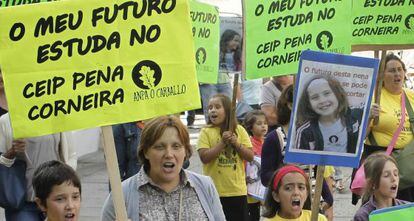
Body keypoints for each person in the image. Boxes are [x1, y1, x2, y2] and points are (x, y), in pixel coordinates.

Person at [101, 116, 225, 221]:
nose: (169, 154)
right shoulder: (122, 196)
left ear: (185, 151)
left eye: (176, 146)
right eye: (160, 147)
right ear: (145, 152)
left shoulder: (205, 186)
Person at [0, 73, 77, 220]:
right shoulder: (7, 121)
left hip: (55, 197)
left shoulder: (58, 117)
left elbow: (71, 155)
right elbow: (2, 162)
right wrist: (12, 152)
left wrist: (66, 183)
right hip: (23, 201)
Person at [260, 85, 334, 220]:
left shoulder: (313, 134)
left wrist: (328, 198)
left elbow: (317, 171)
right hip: (287, 205)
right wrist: (287, 172)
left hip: (313, 202)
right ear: (289, 105)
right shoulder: (274, 138)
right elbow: (265, 177)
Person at [360, 53, 414, 203]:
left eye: (399, 69)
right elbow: (360, 136)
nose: (397, 74)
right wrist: (369, 117)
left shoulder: (411, 96)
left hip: (409, 165)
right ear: (382, 75)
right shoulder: (374, 97)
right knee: (384, 207)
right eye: (391, 70)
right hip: (381, 164)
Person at [197, 94, 254, 221]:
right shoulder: (206, 132)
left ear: (228, 111)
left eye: (217, 107)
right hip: (214, 191)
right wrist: (222, 143)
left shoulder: (239, 130)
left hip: (236, 190)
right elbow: (204, 157)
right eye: (210, 107)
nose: (212, 110)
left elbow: (250, 156)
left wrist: (236, 144)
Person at [295, 75, 363, 154]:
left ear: (338, 94)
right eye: (315, 97)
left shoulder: (353, 117)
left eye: (327, 93)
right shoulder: (305, 131)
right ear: (309, 104)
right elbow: (299, 160)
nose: (322, 100)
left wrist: (371, 113)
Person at [353, 152, 409, 221]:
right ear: (372, 183)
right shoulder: (364, 216)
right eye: (386, 175)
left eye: (395, 174)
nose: (394, 179)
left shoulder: (407, 208)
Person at [262, 165, 327, 221]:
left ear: (306, 194)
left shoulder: (319, 219)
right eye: (288, 188)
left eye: (301, 187)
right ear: (276, 196)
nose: (296, 192)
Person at [243, 110, 268, 221]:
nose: (263, 126)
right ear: (250, 127)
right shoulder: (249, 144)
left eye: (265, 123)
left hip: (263, 185)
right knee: (253, 213)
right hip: (251, 185)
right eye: (259, 124)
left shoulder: (267, 142)